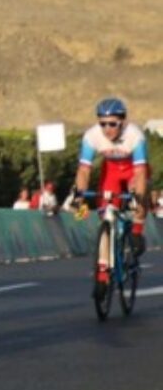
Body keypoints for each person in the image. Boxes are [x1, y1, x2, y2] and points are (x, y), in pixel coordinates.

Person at [70, 97, 149, 297]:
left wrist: (138, 200)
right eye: (102, 123)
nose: (107, 129)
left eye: (112, 124)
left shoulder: (135, 136)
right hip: (112, 171)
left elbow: (140, 173)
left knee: (139, 196)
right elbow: (84, 170)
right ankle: (103, 273)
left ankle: (137, 231)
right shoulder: (92, 136)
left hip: (133, 171)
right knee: (106, 216)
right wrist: (79, 196)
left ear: (122, 122)